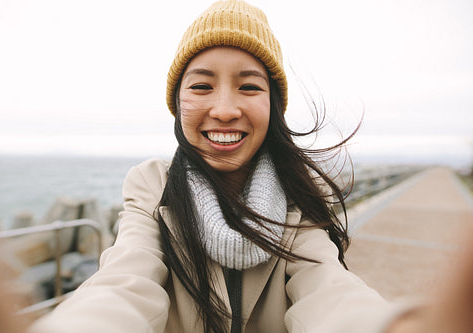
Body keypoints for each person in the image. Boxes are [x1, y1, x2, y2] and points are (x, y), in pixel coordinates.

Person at [28, 1, 473, 332]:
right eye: (201, 85)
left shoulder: (299, 196)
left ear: (274, 106)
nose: (224, 109)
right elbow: (124, 282)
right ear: (177, 104)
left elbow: (329, 289)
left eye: (249, 87)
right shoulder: (152, 185)